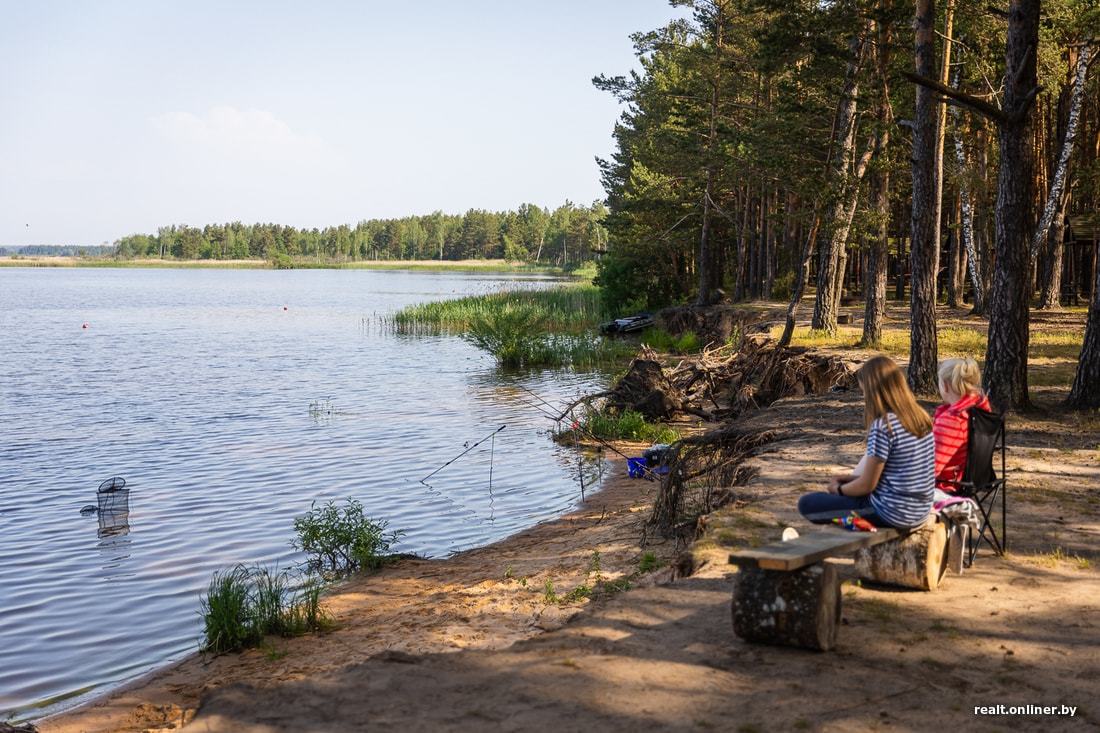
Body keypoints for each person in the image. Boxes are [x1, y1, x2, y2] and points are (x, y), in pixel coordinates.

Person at [796, 355, 935, 530]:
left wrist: (838, 490)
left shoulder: (884, 426)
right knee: (844, 495)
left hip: (891, 513)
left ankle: (853, 523)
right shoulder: (921, 418)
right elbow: (897, 473)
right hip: (919, 511)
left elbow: (867, 485)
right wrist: (851, 480)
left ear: (873, 392)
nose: (864, 398)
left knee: (808, 503)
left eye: (864, 392)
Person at [933, 357, 992, 491]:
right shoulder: (977, 412)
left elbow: (929, 470)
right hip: (967, 480)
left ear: (946, 386)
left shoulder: (952, 421)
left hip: (945, 486)